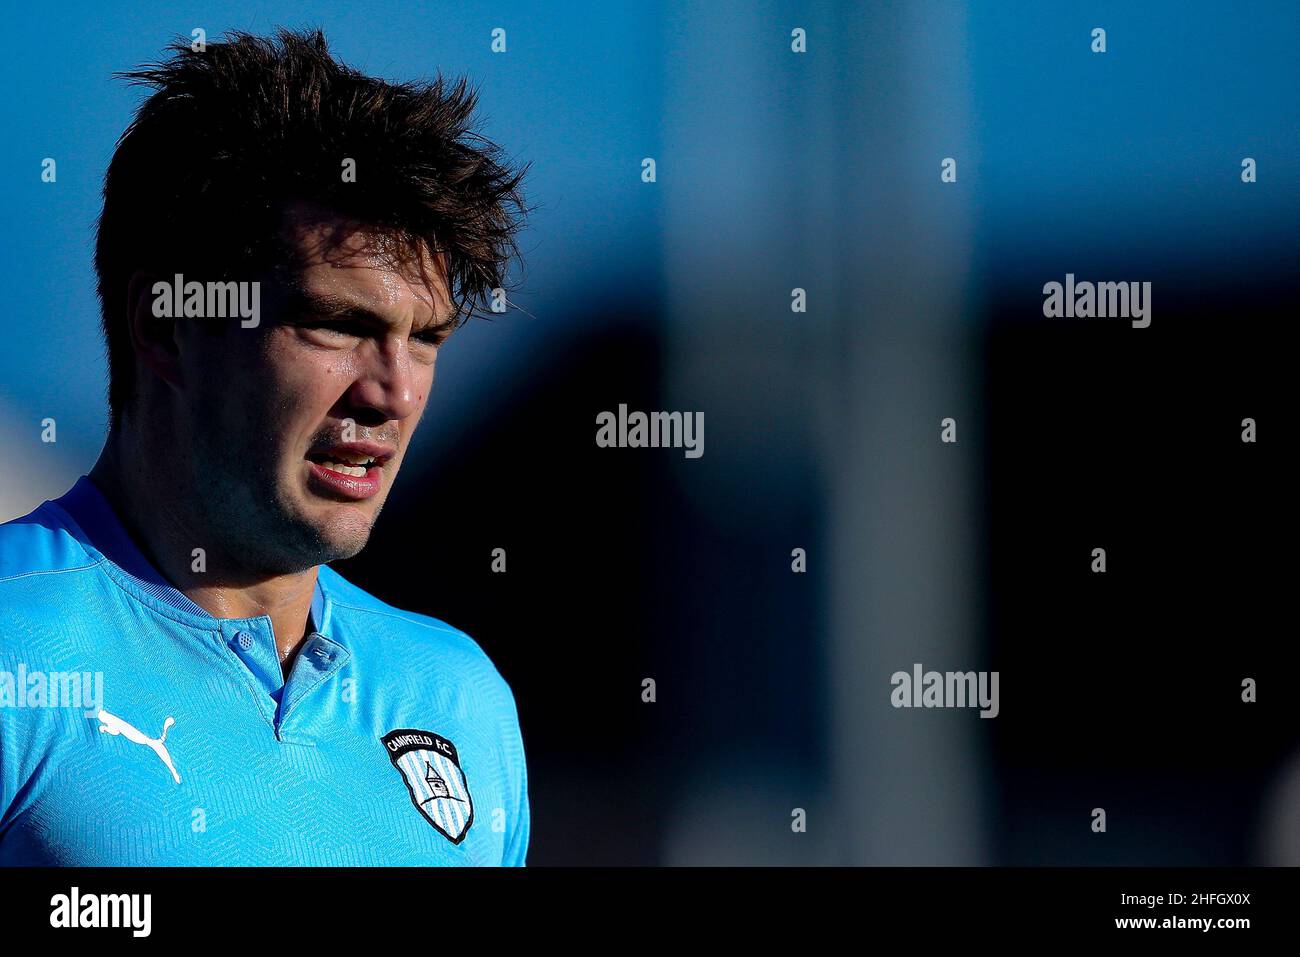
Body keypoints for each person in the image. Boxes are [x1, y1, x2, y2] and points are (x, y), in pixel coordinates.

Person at [0, 28, 531, 865]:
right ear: (164, 326)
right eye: (336, 323)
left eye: (425, 338)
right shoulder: (16, 648)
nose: (392, 392)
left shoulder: (459, 696)